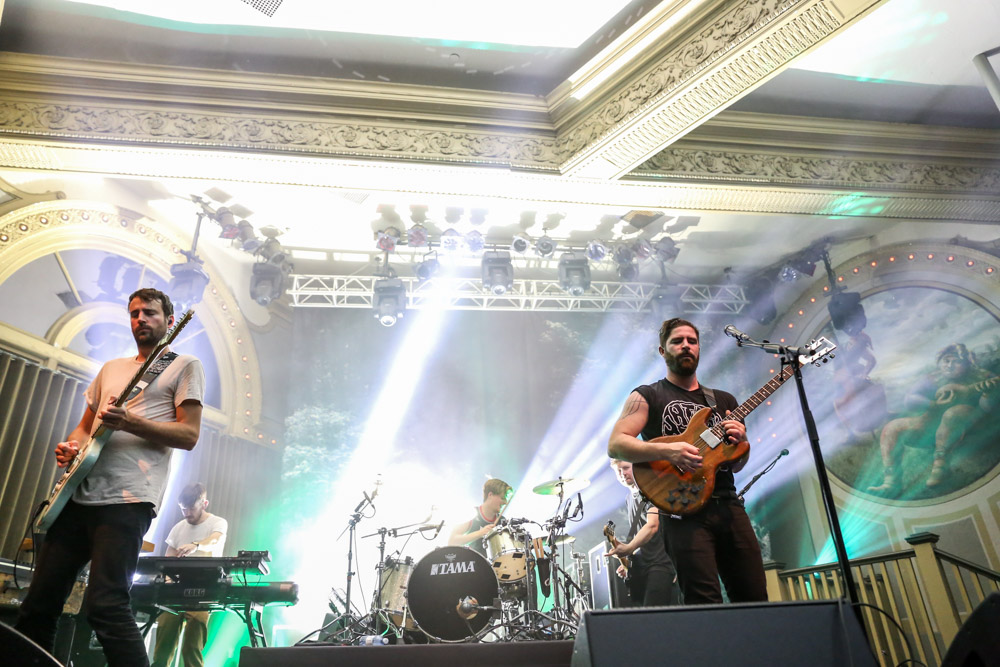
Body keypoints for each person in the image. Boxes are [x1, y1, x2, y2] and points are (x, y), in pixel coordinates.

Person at [16, 288, 205, 666]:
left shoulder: (184, 365)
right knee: (38, 605)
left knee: (106, 604)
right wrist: (70, 448)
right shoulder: (111, 369)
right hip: (78, 496)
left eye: (149, 313)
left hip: (128, 501)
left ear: (169, 322)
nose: (140, 320)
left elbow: (189, 435)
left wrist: (132, 421)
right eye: (134, 313)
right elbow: (83, 430)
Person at [608, 317, 767, 605]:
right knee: (703, 601)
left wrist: (741, 441)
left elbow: (734, 464)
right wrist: (669, 452)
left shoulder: (723, 400)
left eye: (691, 341)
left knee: (754, 597)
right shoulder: (648, 395)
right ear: (662, 351)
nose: (685, 346)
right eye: (677, 341)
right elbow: (617, 445)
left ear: (699, 349)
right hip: (683, 514)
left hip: (728, 505)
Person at [869, 343, 997, 492]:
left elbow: (989, 409)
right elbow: (910, 400)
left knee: (953, 414)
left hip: (971, 428)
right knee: (892, 428)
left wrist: (989, 394)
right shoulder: (933, 378)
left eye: (956, 362)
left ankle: (940, 468)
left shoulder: (981, 376)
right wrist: (933, 404)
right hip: (932, 427)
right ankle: (891, 483)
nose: (950, 365)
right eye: (946, 361)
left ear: (967, 363)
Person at [151, 482, 227, 667]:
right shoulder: (178, 527)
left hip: (204, 590)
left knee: (192, 649)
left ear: (204, 503)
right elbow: (168, 558)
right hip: (176, 591)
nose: (187, 514)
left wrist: (196, 545)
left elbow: (215, 540)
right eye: (183, 509)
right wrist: (168, 581)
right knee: (162, 649)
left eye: (191, 508)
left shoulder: (217, 522)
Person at [606, 459, 678, 607]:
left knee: (654, 620)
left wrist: (629, 547)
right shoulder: (629, 498)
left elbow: (652, 525)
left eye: (626, 468)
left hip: (660, 564)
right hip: (645, 566)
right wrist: (630, 565)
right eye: (618, 471)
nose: (622, 474)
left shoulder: (650, 491)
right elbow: (642, 534)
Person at [448, 478, 512, 556]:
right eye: (502, 498)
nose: (505, 502)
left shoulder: (502, 520)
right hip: (472, 564)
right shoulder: (470, 514)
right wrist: (480, 533)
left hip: (495, 566)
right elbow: (452, 542)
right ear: (490, 495)